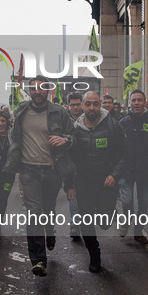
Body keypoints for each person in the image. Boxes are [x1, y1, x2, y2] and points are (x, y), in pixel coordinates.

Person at [4, 75, 76, 277]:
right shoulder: (21, 111)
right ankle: (38, 260)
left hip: (52, 170)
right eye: (33, 88)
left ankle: (50, 232)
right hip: (29, 170)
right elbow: (14, 136)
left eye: (41, 88)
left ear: (48, 91)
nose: (37, 91)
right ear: (29, 91)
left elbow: (74, 136)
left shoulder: (59, 113)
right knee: (34, 212)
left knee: (48, 210)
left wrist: (65, 139)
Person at [69, 91, 127, 272]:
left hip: (106, 183)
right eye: (88, 104)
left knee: (104, 222)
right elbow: (69, 158)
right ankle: (94, 256)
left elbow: (124, 154)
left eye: (95, 104)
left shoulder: (112, 125)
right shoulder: (75, 129)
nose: (92, 108)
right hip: (84, 182)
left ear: (100, 105)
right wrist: (69, 183)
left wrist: (114, 175)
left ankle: (110, 213)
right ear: (82, 106)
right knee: (86, 220)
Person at [118, 90, 148, 244]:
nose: (136, 103)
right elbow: (115, 146)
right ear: (129, 103)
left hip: (145, 171)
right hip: (126, 170)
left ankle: (138, 231)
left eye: (139, 100)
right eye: (133, 100)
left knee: (143, 204)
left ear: (145, 103)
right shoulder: (122, 124)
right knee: (127, 201)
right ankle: (125, 220)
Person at [66, 92, 84, 242]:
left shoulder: (89, 118)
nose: (76, 107)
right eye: (73, 105)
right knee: (73, 194)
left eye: (78, 104)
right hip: (70, 164)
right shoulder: (64, 121)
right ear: (68, 106)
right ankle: (75, 224)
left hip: (88, 163)